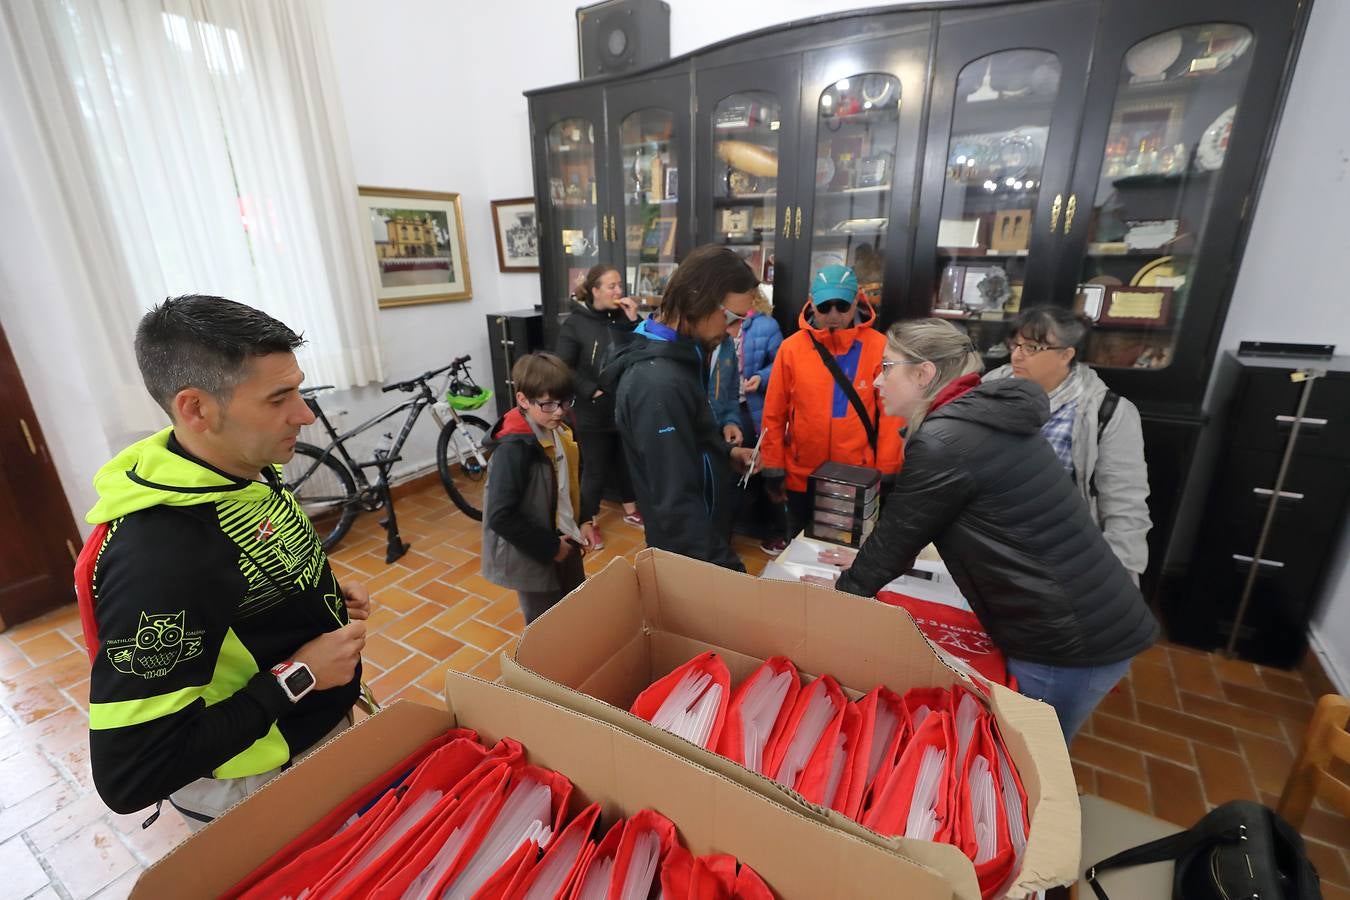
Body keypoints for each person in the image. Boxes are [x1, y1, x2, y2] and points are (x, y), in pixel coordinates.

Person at [81, 295, 368, 826]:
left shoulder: (240, 464)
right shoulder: (160, 558)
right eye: (279, 397)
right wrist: (299, 674)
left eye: (298, 389)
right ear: (196, 408)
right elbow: (132, 773)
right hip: (261, 784)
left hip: (315, 733)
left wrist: (313, 591)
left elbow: (237, 580)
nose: (304, 414)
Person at [825, 318, 1158, 741]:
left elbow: (895, 542)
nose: (876, 381)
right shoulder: (976, 416)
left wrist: (833, 608)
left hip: (1066, 640)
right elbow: (908, 532)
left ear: (924, 373)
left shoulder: (946, 440)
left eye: (887, 366)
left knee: (1026, 764)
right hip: (1083, 617)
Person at [606, 245, 761, 571]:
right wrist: (734, 575)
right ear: (697, 297)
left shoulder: (684, 352)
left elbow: (694, 435)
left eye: (742, 321)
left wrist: (726, 454)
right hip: (687, 554)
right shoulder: (656, 383)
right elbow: (675, 504)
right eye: (731, 318)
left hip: (705, 532)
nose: (735, 333)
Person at [984, 306, 1151, 580]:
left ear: (1066, 355)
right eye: (1016, 344)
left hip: (1055, 553)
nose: (1017, 354)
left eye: (1033, 347)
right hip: (985, 539)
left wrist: (1118, 576)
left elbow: (1125, 503)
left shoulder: (1105, 411)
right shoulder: (990, 386)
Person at [760, 264, 904, 541]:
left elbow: (892, 415)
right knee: (801, 549)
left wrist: (887, 469)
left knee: (851, 553)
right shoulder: (791, 349)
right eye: (825, 307)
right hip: (802, 474)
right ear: (812, 304)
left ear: (856, 303)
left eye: (842, 306)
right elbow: (774, 414)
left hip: (856, 476)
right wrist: (773, 466)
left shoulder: (879, 347)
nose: (834, 316)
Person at [480, 352, 596, 624]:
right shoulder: (513, 449)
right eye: (548, 404)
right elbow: (500, 516)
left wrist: (585, 518)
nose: (559, 411)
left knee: (575, 613)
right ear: (522, 399)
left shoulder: (561, 429)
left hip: (566, 537)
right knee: (546, 628)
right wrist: (549, 547)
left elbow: (573, 480)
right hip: (534, 554)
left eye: (565, 402)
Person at [554, 266, 643, 549]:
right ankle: (588, 519)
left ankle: (630, 510)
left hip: (623, 403)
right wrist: (590, 389)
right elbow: (563, 366)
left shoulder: (623, 316)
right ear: (594, 291)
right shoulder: (575, 324)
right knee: (594, 466)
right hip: (592, 409)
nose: (618, 291)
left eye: (620, 285)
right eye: (611, 286)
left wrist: (633, 320)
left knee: (626, 457)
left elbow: (643, 349)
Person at [733, 292, 787, 553]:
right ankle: (735, 525)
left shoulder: (766, 325)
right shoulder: (717, 320)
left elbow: (781, 363)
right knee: (733, 467)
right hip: (726, 409)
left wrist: (761, 377)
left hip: (753, 409)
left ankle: (776, 529)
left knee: (764, 470)